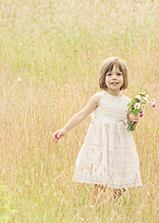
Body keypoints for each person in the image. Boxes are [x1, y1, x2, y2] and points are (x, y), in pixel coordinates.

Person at [52, 57, 142, 204]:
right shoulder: (99, 98)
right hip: (101, 144)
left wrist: (134, 120)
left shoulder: (127, 102)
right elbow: (81, 114)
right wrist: (64, 129)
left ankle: (111, 207)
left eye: (119, 74)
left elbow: (128, 127)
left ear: (124, 77)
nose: (114, 78)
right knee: (100, 180)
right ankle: (95, 208)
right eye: (110, 74)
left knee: (120, 183)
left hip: (119, 146)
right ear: (103, 77)